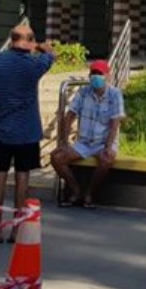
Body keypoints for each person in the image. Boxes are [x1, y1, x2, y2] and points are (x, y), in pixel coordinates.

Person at [0, 24, 56, 243]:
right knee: (23, 177)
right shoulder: (35, 64)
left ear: (11, 40)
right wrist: (38, 46)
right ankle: (16, 229)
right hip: (27, 131)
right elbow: (51, 53)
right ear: (29, 41)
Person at [51, 60, 125, 209]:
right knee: (56, 157)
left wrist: (108, 146)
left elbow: (115, 122)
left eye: (99, 74)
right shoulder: (83, 92)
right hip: (84, 142)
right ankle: (76, 190)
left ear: (107, 76)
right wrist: (64, 141)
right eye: (93, 73)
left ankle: (89, 193)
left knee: (106, 160)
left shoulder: (114, 94)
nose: (96, 77)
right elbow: (70, 115)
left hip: (103, 142)